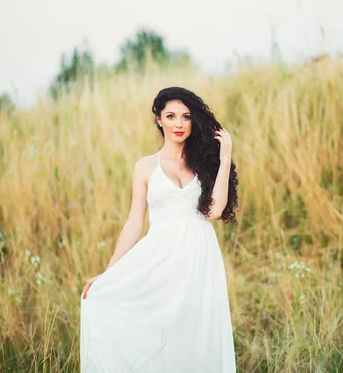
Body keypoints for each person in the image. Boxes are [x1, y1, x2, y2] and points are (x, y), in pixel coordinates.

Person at [79, 86, 239, 372]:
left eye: (186, 117)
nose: (179, 123)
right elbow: (134, 223)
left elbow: (214, 211)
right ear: (158, 119)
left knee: (196, 333)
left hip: (200, 259)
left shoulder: (203, 165)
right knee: (161, 330)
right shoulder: (145, 167)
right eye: (171, 116)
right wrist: (109, 273)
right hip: (161, 258)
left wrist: (225, 156)